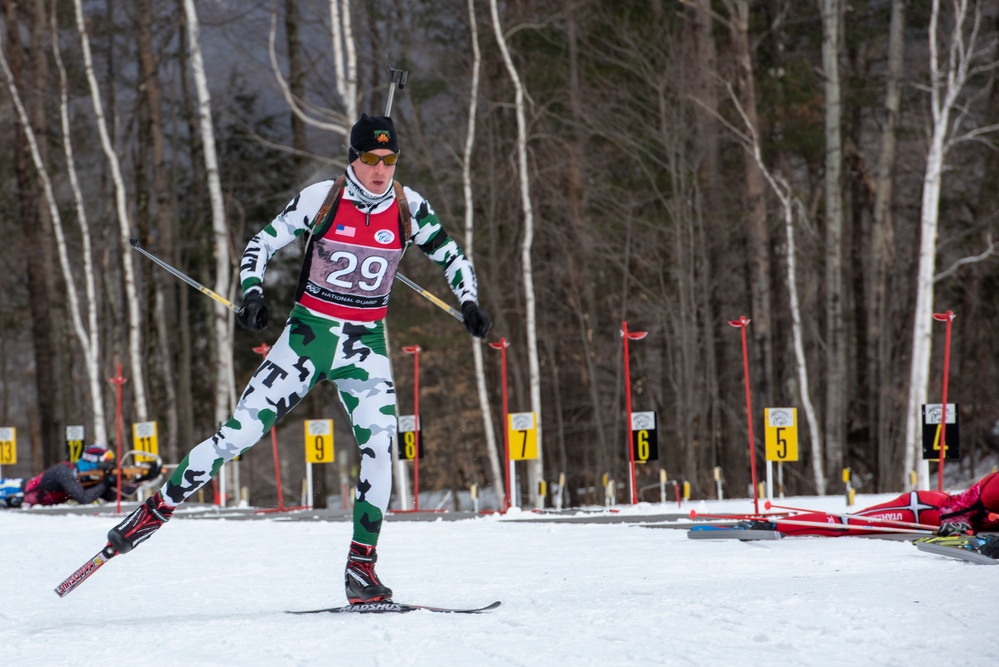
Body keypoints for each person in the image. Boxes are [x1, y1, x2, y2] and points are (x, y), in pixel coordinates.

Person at [105, 114, 492, 604]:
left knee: (381, 448)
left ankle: (360, 569)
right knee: (241, 433)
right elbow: (260, 243)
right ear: (353, 158)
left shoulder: (408, 207)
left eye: (389, 159)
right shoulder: (322, 198)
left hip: (364, 344)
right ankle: (155, 508)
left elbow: (452, 256)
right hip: (308, 336)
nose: (380, 169)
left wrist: (470, 301)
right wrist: (251, 293)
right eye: (370, 159)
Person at [742, 472, 999, 539]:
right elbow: (977, 507)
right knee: (847, 524)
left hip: (937, 510)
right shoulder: (996, 485)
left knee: (848, 521)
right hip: (922, 510)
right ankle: (769, 524)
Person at [14, 445, 135, 507]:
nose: (109, 463)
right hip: (16, 490)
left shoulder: (89, 477)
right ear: (94, 460)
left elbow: (112, 497)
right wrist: (106, 482)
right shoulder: (64, 471)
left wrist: (136, 483)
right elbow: (84, 499)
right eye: (106, 459)